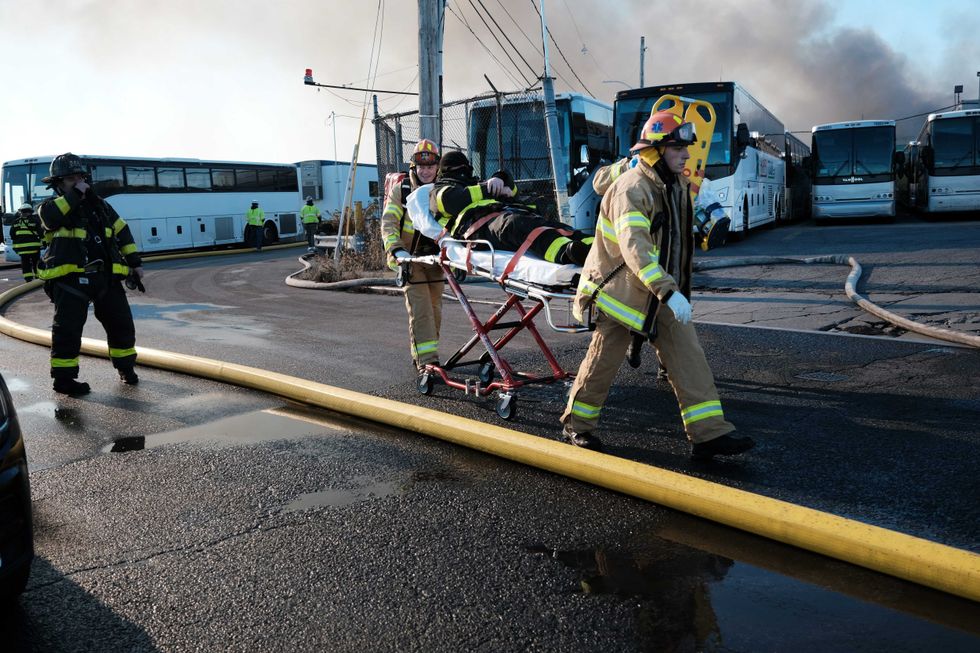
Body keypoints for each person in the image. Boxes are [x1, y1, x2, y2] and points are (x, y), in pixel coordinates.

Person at [559, 111, 755, 460]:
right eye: (678, 147)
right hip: (619, 291)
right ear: (655, 150)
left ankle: (709, 434)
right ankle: (578, 426)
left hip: (659, 292)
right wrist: (668, 290)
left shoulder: (675, 184)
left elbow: (675, 240)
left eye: (685, 148)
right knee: (603, 361)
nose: (686, 154)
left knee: (688, 355)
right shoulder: (632, 189)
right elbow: (636, 249)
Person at [36, 153, 144, 396]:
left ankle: (126, 369)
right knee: (67, 330)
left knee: (122, 325)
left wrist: (135, 263)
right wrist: (76, 194)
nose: (78, 182)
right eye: (71, 179)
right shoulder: (50, 208)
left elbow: (123, 232)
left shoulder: (101, 207)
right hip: (70, 279)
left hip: (105, 277)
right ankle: (64, 380)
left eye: (81, 177)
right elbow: (51, 218)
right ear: (58, 183)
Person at [426, 151, 594, 266]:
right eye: (459, 171)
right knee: (518, 225)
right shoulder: (439, 190)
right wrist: (487, 189)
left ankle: (595, 247)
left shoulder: (474, 184)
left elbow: (510, 186)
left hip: (501, 216)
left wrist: (499, 179)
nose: (464, 173)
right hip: (479, 227)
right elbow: (451, 201)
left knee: (554, 226)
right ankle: (565, 253)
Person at [381, 139, 444, 370]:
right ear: (414, 167)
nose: (425, 171)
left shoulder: (444, 189)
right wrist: (396, 250)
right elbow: (388, 222)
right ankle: (427, 363)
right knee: (421, 309)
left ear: (437, 166)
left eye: (430, 166)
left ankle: (426, 354)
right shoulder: (403, 189)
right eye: (421, 167)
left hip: (436, 260)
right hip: (409, 259)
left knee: (435, 309)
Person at [10, 203, 43, 282]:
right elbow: (41, 233)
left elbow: (12, 234)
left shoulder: (16, 222)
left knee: (25, 264)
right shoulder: (35, 220)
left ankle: (28, 279)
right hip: (34, 247)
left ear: (21, 212)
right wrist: (44, 242)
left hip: (22, 248)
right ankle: (38, 278)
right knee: (36, 262)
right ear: (30, 211)